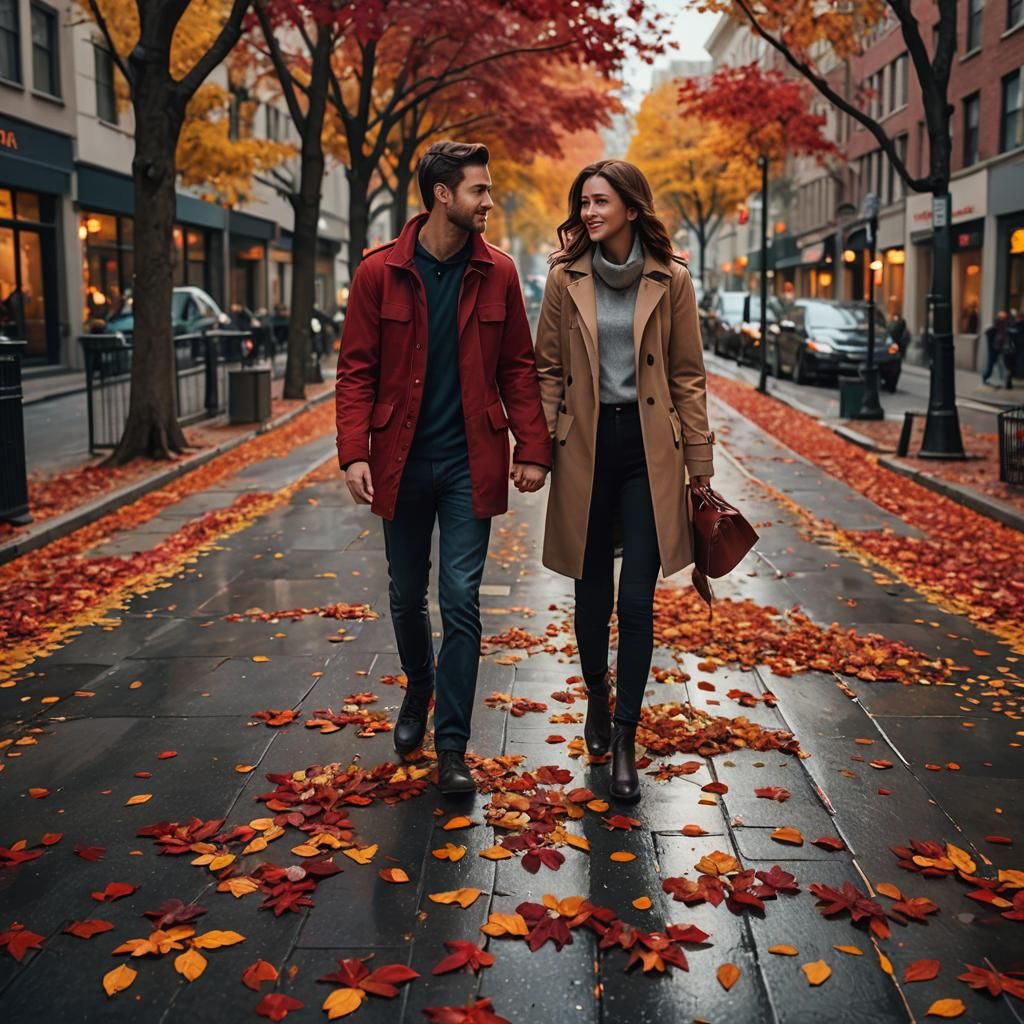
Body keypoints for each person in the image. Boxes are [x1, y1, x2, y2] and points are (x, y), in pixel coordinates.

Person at [336, 141, 552, 795]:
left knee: (459, 601)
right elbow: (356, 371)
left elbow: (518, 364)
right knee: (406, 596)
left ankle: (452, 745)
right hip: (399, 460)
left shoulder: (500, 272)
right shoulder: (379, 273)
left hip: (469, 461)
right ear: (441, 195)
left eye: (488, 190)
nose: (488, 201)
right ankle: (419, 690)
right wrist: (353, 452)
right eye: (478, 191)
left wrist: (533, 448)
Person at [534, 160, 715, 804]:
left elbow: (688, 375)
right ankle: (597, 697)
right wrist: (541, 446)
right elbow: (547, 370)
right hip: (585, 448)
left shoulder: (673, 279)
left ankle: (627, 740)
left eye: (600, 201)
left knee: (637, 601)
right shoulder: (564, 277)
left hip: (648, 453)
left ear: (631, 209)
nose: (588, 211)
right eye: (582, 201)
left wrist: (700, 466)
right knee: (592, 598)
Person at [982, 311, 1010, 387]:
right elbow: (998, 337)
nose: (1005, 319)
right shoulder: (997, 326)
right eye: (1003, 318)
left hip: (997, 349)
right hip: (995, 349)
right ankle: (985, 378)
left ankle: (1002, 381)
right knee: (991, 365)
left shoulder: (1001, 326)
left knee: (999, 365)